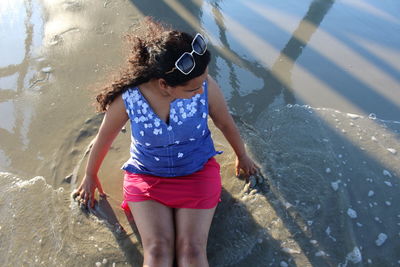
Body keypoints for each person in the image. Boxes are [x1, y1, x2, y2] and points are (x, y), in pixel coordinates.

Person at [73, 17, 258, 267]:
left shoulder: (205, 86)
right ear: (164, 85)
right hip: (146, 177)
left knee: (191, 252)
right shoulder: (130, 99)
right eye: (193, 88)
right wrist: (90, 174)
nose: (202, 88)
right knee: (158, 252)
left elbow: (225, 123)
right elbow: (104, 137)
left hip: (197, 173)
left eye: (204, 79)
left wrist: (242, 155)